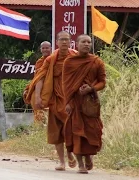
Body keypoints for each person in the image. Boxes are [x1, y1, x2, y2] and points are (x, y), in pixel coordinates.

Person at [26, 31, 77, 171]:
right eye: (62, 40)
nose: (64, 42)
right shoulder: (50, 59)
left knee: (71, 129)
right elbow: (40, 78)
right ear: (57, 42)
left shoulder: (75, 57)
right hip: (55, 99)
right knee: (56, 132)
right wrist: (37, 96)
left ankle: (70, 154)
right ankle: (61, 162)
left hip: (70, 100)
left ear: (70, 41)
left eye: (67, 39)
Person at [62, 34, 106, 174]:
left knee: (92, 131)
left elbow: (102, 82)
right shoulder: (69, 62)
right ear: (76, 44)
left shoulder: (97, 62)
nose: (86, 44)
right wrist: (67, 102)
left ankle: (88, 156)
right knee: (75, 132)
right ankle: (80, 164)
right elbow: (66, 84)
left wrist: (91, 88)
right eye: (83, 42)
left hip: (90, 104)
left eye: (88, 42)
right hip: (74, 102)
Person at [23, 41, 52, 124]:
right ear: (40, 49)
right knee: (38, 111)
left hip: (51, 88)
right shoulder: (39, 62)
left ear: (51, 48)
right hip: (39, 88)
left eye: (47, 48)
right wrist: (29, 88)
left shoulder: (54, 60)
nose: (45, 50)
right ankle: (39, 129)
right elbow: (38, 77)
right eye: (43, 48)